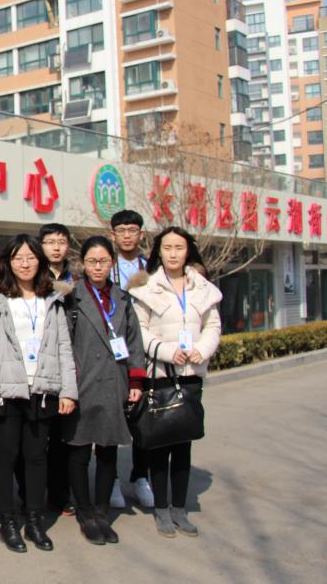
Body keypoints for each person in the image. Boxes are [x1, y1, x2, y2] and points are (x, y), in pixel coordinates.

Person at [0, 234, 77, 553]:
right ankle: (8, 523)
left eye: (31, 257)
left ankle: (34, 521)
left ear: (41, 261)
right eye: (18, 258)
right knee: (6, 457)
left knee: (36, 458)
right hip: (7, 391)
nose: (24, 263)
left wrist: (68, 391)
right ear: (7, 262)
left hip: (43, 389)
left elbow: (64, 347)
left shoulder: (53, 300)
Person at [129, 227, 222, 538]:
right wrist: (168, 351)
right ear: (159, 251)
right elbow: (140, 331)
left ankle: (180, 509)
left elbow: (213, 326)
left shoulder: (203, 288)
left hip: (191, 375)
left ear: (188, 251)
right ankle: (161, 509)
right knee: (160, 443)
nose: (172, 253)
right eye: (167, 247)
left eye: (178, 247)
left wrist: (201, 350)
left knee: (183, 444)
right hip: (161, 376)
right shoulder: (147, 288)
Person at [62, 236, 145, 546]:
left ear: (112, 263)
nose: (98, 267)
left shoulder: (123, 298)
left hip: (114, 383)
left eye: (104, 261)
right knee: (79, 451)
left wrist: (135, 382)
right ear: (83, 263)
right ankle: (85, 512)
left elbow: (134, 341)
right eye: (92, 261)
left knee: (108, 450)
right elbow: (63, 343)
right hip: (83, 384)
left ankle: (101, 511)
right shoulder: (72, 298)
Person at [109, 209, 153, 509]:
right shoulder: (104, 266)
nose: (127, 236)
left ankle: (140, 477)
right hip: (114, 353)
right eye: (121, 230)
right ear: (112, 235)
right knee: (113, 417)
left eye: (132, 230)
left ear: (141, 234)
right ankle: (111, 479)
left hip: (146, 350)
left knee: (145, 420)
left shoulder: (153, 269)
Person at [38, 223, 77, 517]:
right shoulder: (33, 278)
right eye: (50, 241)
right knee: (36, 439)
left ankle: (60, 495)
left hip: (70, 362)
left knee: (63, 438)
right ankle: (32, 495)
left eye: (61, 241)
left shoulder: (77, 280)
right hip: (40, 364)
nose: (56, 247)